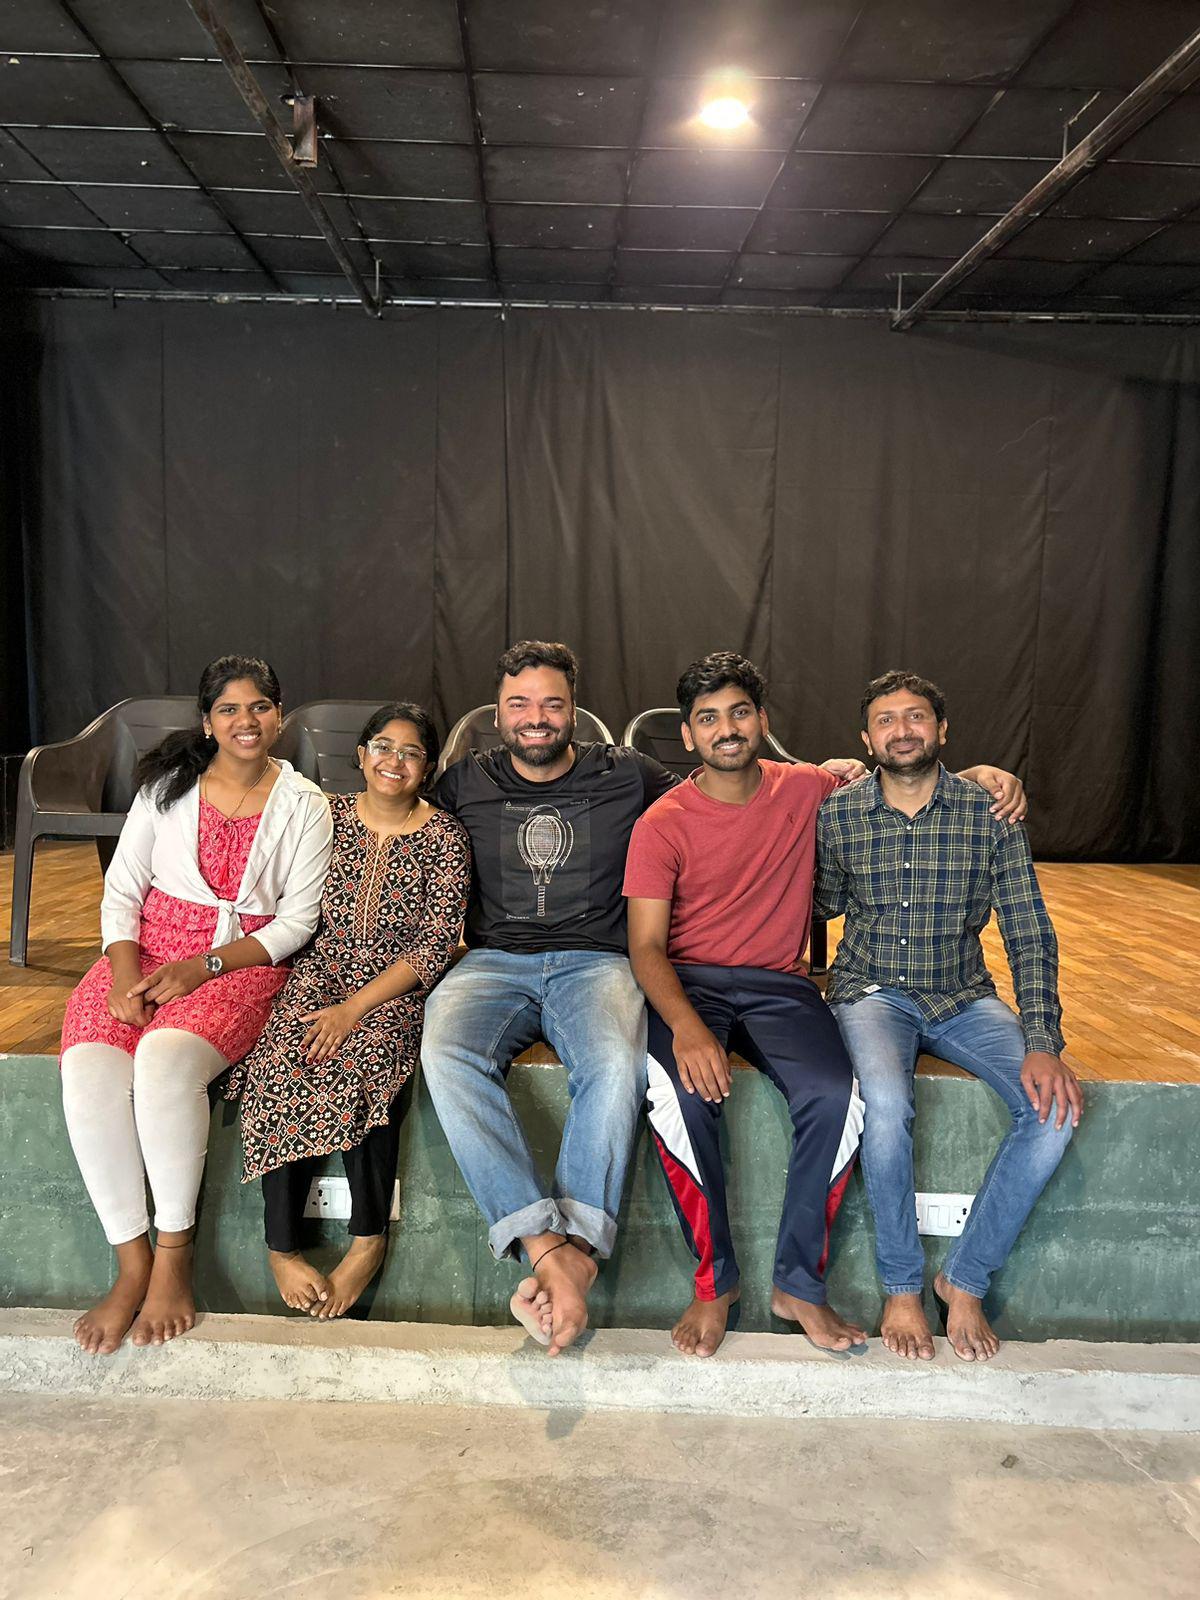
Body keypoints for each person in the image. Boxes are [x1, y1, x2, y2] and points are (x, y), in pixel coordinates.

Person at [624, 651, 1028, 1359]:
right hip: (691, 984)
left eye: (740, 713)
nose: (727, 729)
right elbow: (646, 947)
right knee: (681, 1098)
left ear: (763, 721)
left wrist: (985, 778)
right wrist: (686, 1029)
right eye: (709, 718)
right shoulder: (662, 822)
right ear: (688, 736)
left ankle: (797, 1284)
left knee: (841, 1098)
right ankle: (715, 1283)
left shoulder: (809, 787)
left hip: (781, 985)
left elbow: (907, 776)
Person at [59, 656, 333, 1356]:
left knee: (163, 1058)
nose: (247, 721)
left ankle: (174, 1254)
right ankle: (131, 1261)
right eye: (230, 709)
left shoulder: (305, 804)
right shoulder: (166, 788)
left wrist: (203, 965)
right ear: (207, 721)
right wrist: (124, 974)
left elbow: (293, 925)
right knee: (90, 1066)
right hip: (145, 953)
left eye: (261, 707)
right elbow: (122, 893)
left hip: (237, 965)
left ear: (280, 715)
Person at [420, 640, 677, 1356]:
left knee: (615, 1065)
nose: (536, 718)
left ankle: (573, 1252)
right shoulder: (464, 781)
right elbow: (387, 814)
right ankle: (551, 1249)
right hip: (492, 962)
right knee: (444, 1051)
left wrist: (830, 774)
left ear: (576, 712)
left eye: (552, 703)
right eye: (520, 704)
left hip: (596, 962)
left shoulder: (626, 774)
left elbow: (723, 790)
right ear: (498, 714)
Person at [817, 670, 1081, 1364]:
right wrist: (808, 791)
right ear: (866, 737)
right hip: (870, 991)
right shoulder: (840, 813)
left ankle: (963, 1279)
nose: (901, 730)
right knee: (886, 1103)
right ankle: (901, 1284)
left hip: (962, 995)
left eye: (915, 718)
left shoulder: (987, 813)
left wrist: (1042, 1038)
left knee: (1053, 1111)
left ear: (942, 729)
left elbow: (1028, 930)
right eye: (885, 720)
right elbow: (815, 904)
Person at [230, 702, 470, 1320]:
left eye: (411, 751)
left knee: (366, 1060)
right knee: (279, 1060)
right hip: (316, 969)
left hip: (394, 985)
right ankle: (282, 1245)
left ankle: (368, 1239)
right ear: (360, 756)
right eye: (383, 747)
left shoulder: (445, 836)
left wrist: (353, 1009)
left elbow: (437, 942)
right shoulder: (324, 817)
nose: (395, 761)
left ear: (428, 766)